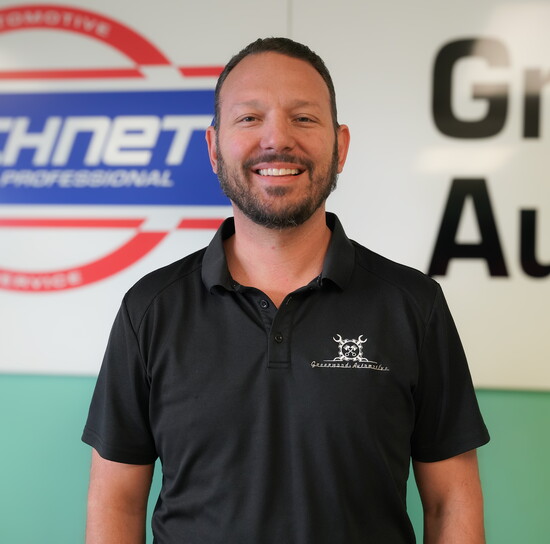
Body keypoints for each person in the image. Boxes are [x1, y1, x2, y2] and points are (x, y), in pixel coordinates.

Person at [82, 37, 490, 543]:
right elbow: (116, 501)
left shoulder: (413, 306)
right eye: (249, 118)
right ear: (213, 148)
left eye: (303, 118)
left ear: (340, 146)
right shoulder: (150, 309)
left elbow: (451, 503)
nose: (277, 139)